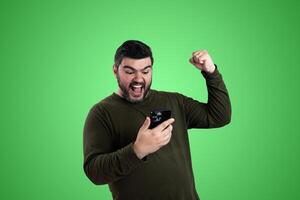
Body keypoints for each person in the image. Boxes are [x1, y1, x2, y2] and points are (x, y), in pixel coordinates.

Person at [83, 40, 231, 200]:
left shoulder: (174, 101)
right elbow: (94, 172)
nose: (139, 79)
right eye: (130, 72)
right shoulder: (101, 113)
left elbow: (219, 116)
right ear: (115, 71)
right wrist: (137, 150)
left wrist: (211, 72)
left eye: (145, 71)